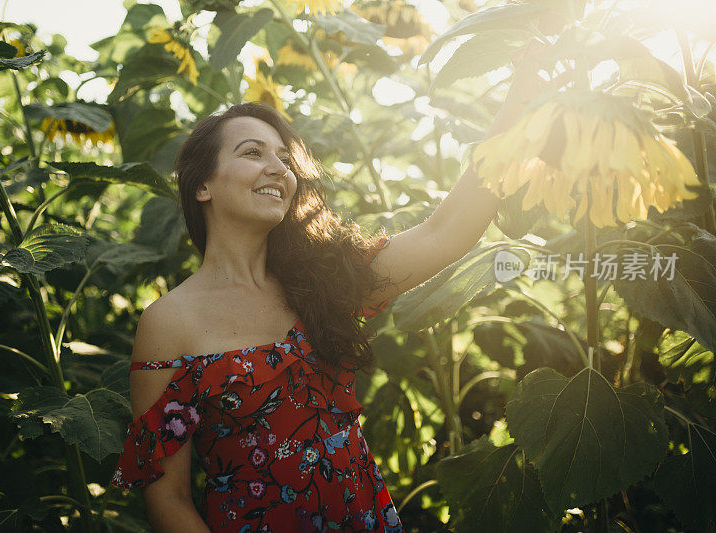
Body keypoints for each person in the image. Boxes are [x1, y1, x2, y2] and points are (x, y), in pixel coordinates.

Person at [111, 40, 552, 532]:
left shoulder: (326, 281)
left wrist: (522, 103)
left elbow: (444, 232)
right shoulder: (168, 323)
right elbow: (167, 499)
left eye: (284, 157)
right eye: (252, 153)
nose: (278, 168)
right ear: (202, 186)